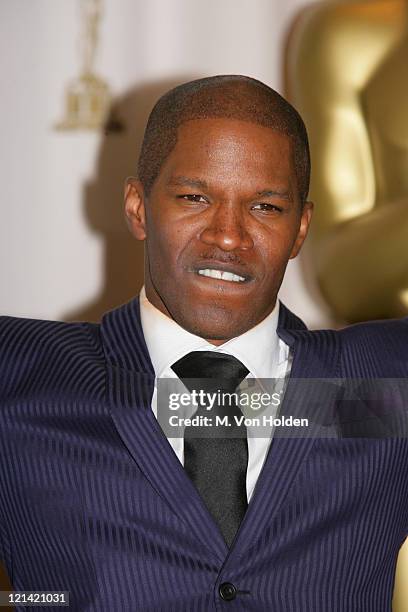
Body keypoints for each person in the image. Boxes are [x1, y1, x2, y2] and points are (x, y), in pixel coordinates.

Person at [0, 75, 407, 611]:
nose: (229, 235)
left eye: (265, 207)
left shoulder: (382, 384)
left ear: (301, 229)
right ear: (139, 207)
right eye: (194, 197)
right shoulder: (20, 373)